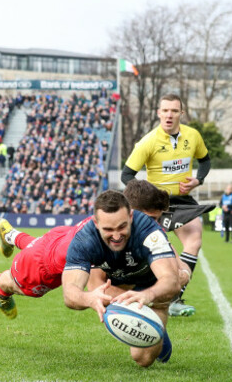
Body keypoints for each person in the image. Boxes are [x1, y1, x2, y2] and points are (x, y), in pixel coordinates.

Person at [61, 191, 181, 367]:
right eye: (108, 230)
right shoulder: (84, 240)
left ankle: (157, 316)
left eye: (122, 227)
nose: (116, 236)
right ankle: (151, 323)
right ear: (96, 223)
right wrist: (89, 298)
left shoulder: (148, 230)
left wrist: (149, 296)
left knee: (145, 359)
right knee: (142, 360)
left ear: (131, 217)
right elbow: (70, 292)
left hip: (152, 284)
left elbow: (171, 281)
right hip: (119, 284)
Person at [121, 94, 211, 317]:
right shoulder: (148, 141)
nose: (169, 115)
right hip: (156, 203)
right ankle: (138, 292)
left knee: (194, 240)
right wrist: (147, 195)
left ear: (182, 113)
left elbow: (205, 160)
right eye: (165, 110)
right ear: (158, 113)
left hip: (183, 200)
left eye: (174, 110)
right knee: (158, 248)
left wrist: (198, 179)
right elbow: (127, 175)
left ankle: (174, 296)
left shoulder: (193, 136)